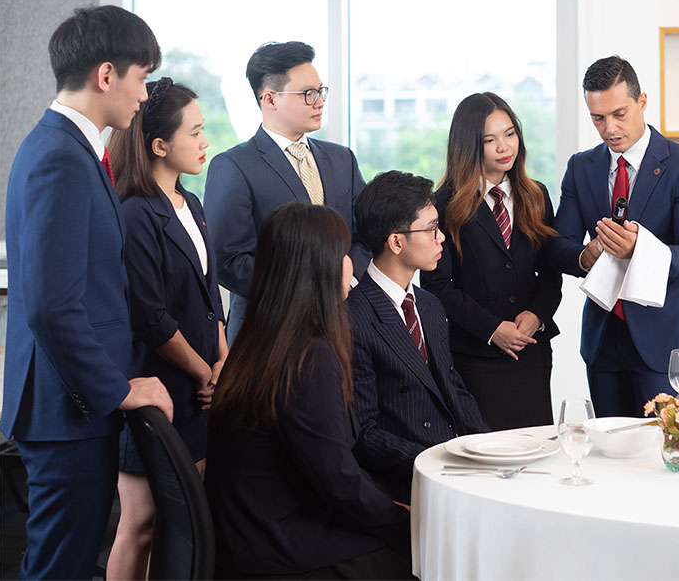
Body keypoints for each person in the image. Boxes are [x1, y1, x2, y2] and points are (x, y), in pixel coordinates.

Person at [1, 5, 173, 579]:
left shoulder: (69, 149)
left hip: (70, 405)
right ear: (106, 75)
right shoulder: (59, 158)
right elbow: (53, 306)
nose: (145, 95)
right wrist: (119, 390)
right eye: (141, 77)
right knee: (60, 566)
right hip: (66, 409)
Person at [206, 202, 411, 579]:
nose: (352, 264)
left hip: (249, 535)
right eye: (345, 253)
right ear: (321, 266)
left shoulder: (262, 340)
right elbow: (338, 480)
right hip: (282, 548)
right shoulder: (308, 358)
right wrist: (409, 523)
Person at [104, 78, 228, 580]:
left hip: (199, 383)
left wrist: (221, 362)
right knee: (141, 522)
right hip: (159, 384)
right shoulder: (136, 213)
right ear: (159, 145)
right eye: (195, 132)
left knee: (181, 523)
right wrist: (203, 372)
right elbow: (150, 316)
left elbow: (209, 298)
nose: (205, 142)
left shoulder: (192, 205)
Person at [548, 55, 679, 418]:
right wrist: (586, 255)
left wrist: (641, 249)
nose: (609, 128)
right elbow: (558, 246)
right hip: (603, 340)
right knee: (609, 456)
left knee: (664, 453)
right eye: (598, 118)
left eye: (619, 114)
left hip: (666, 341)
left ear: (642, 102)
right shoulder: (581, 167)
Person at [204, 41, 368, 344]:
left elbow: (364, 234)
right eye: (308, 94)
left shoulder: (342, 159)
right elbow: (227, 260)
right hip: (268, 334)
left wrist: (347, 278)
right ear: (270, 99)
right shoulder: (233, 166)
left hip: (342, 326)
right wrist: (309, 287)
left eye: (321, 92)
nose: (319, 102)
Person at [421, 92, 562, 430]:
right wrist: (492, 329)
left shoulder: (537, 195)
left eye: (510, 134)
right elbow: (438, 286)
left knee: (537, 453)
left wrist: (537, 315)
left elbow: (551, 271)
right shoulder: (444, 205)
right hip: (476, 356)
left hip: (532, 352)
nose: (504, 147)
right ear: (468, 145)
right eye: (490, 140)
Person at [349, 171, 490, 503]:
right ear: (396, 242)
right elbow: (364, 434)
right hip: (406, 483)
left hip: (455, 468)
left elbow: (453, 390)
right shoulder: (353, 316)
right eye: (431, 229)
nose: (441, 238)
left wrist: (491, 449)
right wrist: (440, 462)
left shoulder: (427, 305)